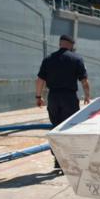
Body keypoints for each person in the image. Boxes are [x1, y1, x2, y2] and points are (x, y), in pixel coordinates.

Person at [35, 34, 91, 169]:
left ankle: (58, 161)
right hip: (69, 98)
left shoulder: (48, 59)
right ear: (71, 45)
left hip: (53, 97)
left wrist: (38, 97)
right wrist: (87, 96)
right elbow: (84, 81)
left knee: (56, 128)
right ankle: (71, 161)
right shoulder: (76, 59)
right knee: (70, 129)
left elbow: (40, 80)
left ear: (60, 43)